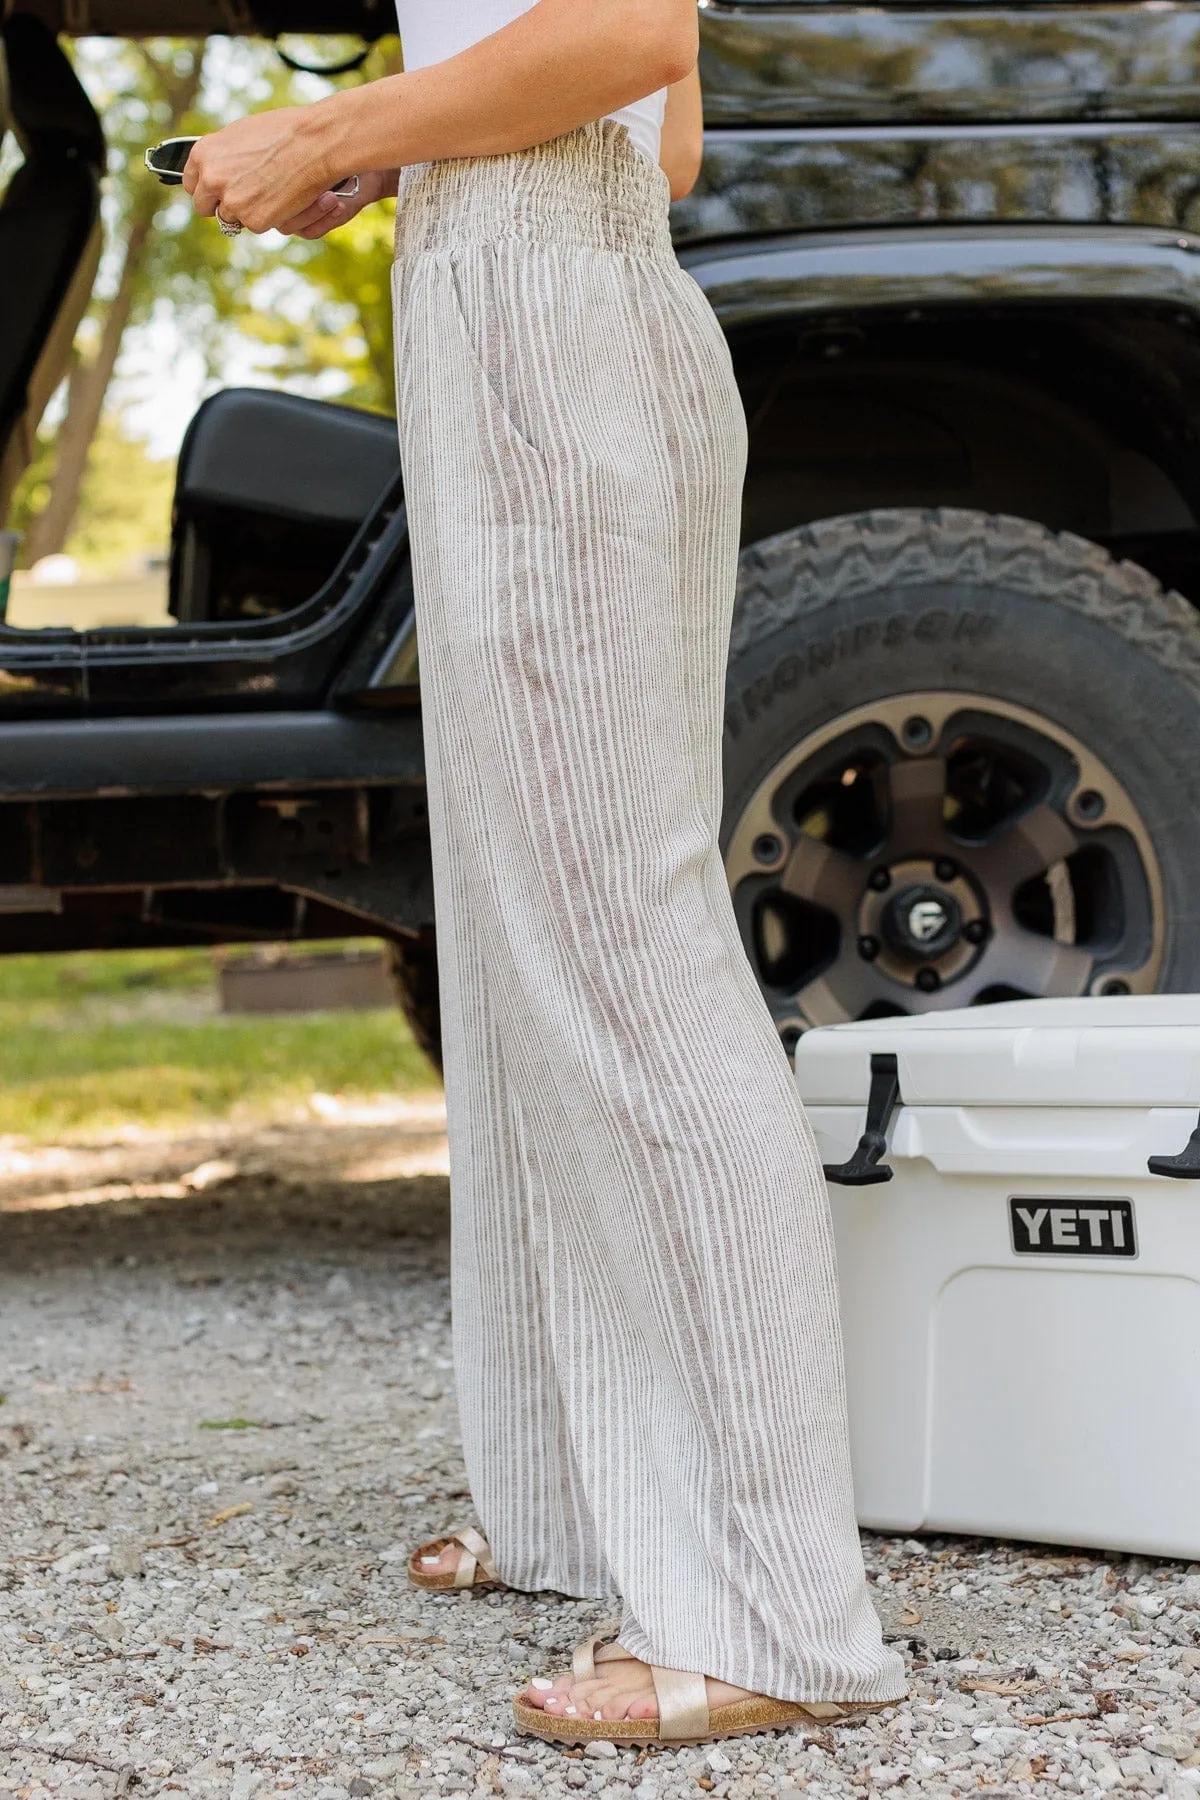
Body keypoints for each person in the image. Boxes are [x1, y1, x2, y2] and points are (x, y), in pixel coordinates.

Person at [182, 0, 907, 1749]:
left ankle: (773, 1611)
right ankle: (573, 1493)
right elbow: (667, 135)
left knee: (613, 936)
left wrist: (344, 127)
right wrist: (414, 136)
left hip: (542, 332)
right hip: (554, 296)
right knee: (526, 944)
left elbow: (631, 30)